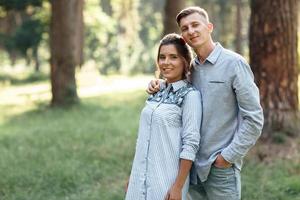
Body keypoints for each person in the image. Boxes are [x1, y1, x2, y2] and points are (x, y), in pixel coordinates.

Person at [147, 6, 264, 200]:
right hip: (189, 168)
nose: (191, 31)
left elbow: (254, 118)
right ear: (183, 37)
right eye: (185, 28)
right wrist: (159, 83)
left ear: (209, 27)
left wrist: (226, 158)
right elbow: (178, 89)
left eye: (195, 25)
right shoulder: (191, 69)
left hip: (220, 170)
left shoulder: (234, 64)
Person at [125, 33, 202, 200]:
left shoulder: (190, 96)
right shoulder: (156, 91)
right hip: (141, 178)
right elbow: (144, 139)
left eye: (173, 57)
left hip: (166, 180)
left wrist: (178, 186)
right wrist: (134, 175)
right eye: (162, 57)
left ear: (184, 61)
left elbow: (191, 144)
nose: (166, 62)